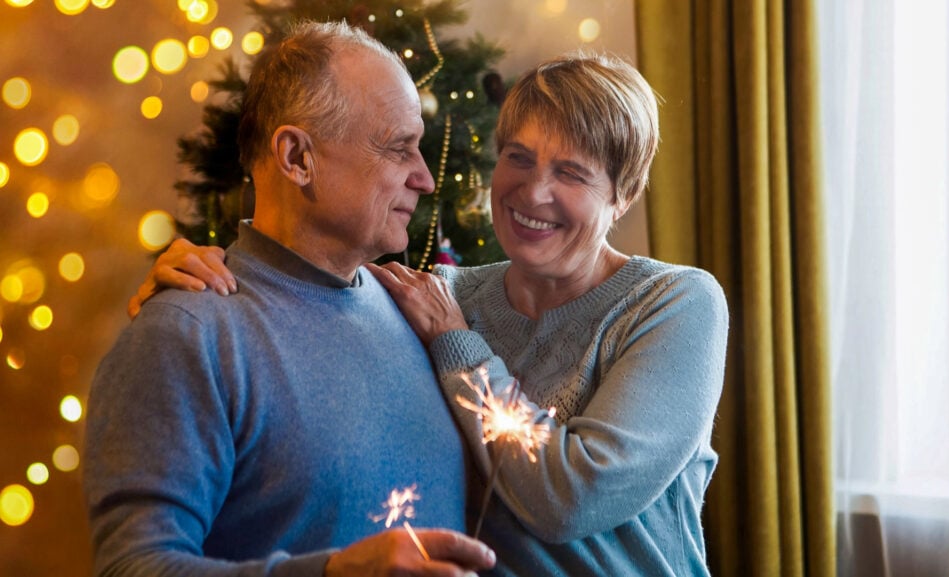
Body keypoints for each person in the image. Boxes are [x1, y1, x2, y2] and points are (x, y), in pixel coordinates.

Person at [133, 53, 729, 577]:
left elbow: (572, 496)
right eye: (518, 158)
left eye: (571, 173)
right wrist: (202, 284)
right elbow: (310, 290)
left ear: (622, 195)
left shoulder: (674, 304)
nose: (532, 191)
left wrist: (456, 343)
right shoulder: (438, 293)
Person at [84, 21, 495, 577]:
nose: (424, 178)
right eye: (399, 149)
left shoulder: (422, 307)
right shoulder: (186, 334)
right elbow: (132, 568)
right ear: (297, 156)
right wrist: (333, 573)